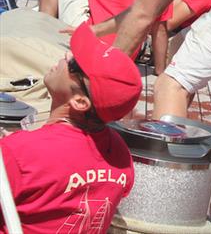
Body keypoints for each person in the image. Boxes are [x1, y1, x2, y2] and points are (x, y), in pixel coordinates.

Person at [0, 22, 141, 234]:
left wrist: (12, 149)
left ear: (79, 101)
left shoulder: (19, 151)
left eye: (74, 63)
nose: (65, 57)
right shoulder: (120, 153)